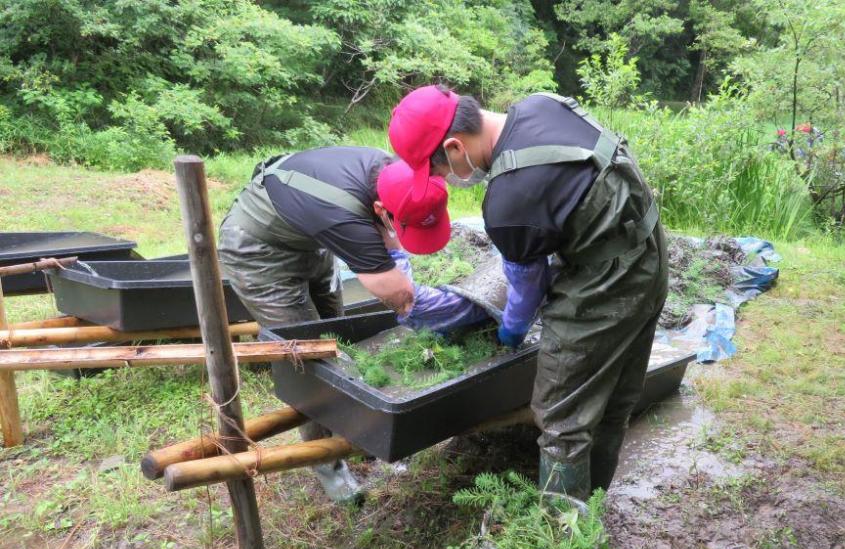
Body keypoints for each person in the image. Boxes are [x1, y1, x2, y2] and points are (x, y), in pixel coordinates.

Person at [388, 86, 669, 499]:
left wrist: (511, 332)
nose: (448, 179)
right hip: (649, 252)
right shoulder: (544, 103)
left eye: (442, 170)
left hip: (606, 285)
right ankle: (592, 507)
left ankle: (563, 537)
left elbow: (527, 288)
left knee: (560, 418)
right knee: (615, 399)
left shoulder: (507, 200)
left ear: (454, 146)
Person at [217, 146, 489, 502]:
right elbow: (403, 298)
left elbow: (394, 241)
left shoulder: (401, 174)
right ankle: (329, 465)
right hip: (258, 251)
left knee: (338, 334)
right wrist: (474, 308)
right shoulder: (347, 221)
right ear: (379, 210)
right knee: (311, 357)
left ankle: (357, 431)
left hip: (310, 237)